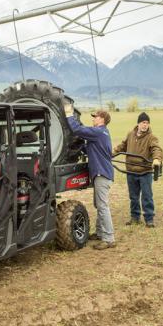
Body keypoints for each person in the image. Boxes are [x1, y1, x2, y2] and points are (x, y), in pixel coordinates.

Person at [64, 104, 116, 250]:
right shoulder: (102, 133)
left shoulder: (98, 132)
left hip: (101, 174)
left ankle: (109, 238)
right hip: (102, 174)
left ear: (102, 119)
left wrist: (69, 115)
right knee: (99, 204)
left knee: (103, 206)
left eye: (96, 117)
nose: (93, 119)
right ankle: (100, 233)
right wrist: (79, 147)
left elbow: (78, 130)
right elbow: (90, 149)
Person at [113, 112, 163, 228]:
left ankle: (149, 219)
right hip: (131, 171)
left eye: (147, 123)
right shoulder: (130, 134)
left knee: (146, 196)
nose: (145, 125)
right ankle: (135, 218)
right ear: (138, 123)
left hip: (144, 172)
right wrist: (111, 154)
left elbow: (157, 149)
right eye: (143, 122)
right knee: (133, 196)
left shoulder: (152, 137)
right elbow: (122, 146)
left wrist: (156, 159)